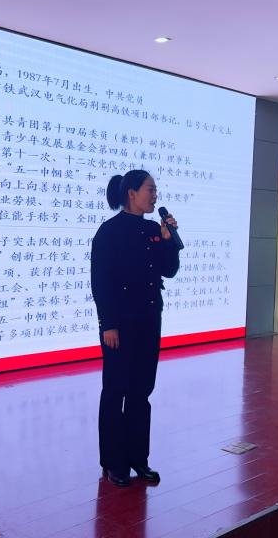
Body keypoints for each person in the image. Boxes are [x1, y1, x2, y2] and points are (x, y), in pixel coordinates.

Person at [90, 169, 180, 487]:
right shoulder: (109, 232)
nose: (155, 195)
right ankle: (113, 463)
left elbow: (169, 270)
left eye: (155, 190)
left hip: (149, 320)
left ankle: (138, 460)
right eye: (149, 189)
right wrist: (108, 324)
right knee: (116, 391)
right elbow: (101, 283)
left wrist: (168, 241)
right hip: (119, 325)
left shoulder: (154, 230)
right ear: (131, 193)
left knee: (141, 392)